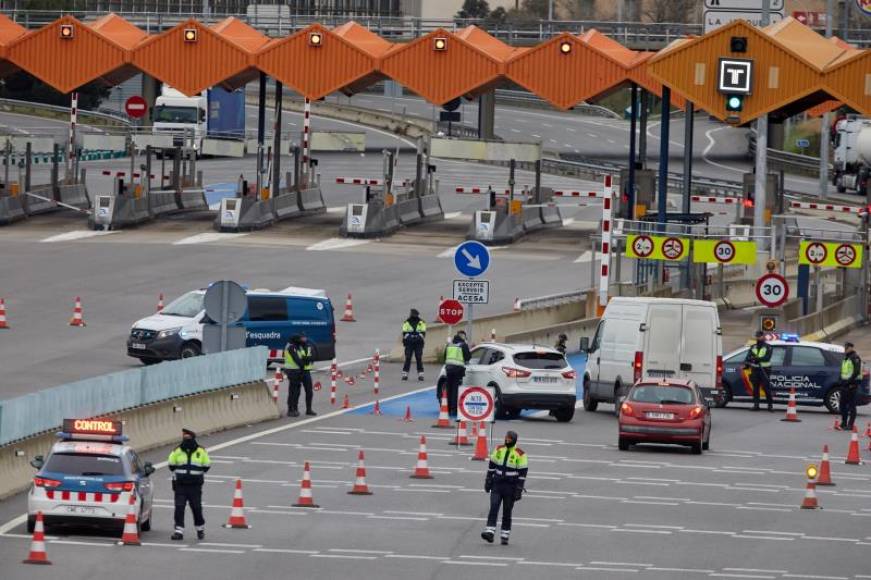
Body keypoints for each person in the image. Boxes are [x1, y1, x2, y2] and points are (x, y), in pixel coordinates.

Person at [482, 430, 528, 546]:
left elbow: (523, 473)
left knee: (507, 511)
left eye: (509, 439)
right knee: (494, 506)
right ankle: (490, 532)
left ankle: (505, 534)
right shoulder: (499, 449)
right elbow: (492, 465)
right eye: (506, 438)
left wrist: (519, 489)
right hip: (497, 484)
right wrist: (488, 480)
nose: (507, 440)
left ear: (514, 440)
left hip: (510, 486)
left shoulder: (520, 454)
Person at [168, 428, 211, 541]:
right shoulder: (177, 450)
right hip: (180, 485)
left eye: (188, 438)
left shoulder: (201, 451)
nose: (186, 440)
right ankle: (178, 531)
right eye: (184, 437)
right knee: (179, 507)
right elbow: (171, 464)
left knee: (196, 508)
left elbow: (206, 466)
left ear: (193, 438)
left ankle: (200, 529)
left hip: (195, 486)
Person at [284, 334, 317, 417]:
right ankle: (292, 409)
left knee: (308, 390)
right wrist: (304, 362)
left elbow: (310, 355)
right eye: (302, 338)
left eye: (304, 338)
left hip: (303, 370)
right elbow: (297, 359)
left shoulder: (302, 346)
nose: (304, 339)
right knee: (294, 391)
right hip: (293, 371)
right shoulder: (291, 347)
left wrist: (309, 358)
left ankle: (308, 409)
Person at [444, 330, 472, 416]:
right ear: (463, 337)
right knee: (455, 389)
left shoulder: (450, 344)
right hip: (458, 369)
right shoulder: (463, 345)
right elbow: (468, 357)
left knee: (449, 388)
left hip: (448, 369)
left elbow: (444, 356)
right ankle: (454, 409)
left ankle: (446, 408)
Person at [744, 331, 773, 412]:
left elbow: (767, 358)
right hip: (755, 370)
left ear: (763, 336)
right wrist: (752, 360)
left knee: (766, 388)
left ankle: (770, 406)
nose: (758, 338)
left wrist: (755, 359)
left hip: (765, 370)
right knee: (755, 389)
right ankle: (756, 405)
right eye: (757, 336)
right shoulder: (753, 347)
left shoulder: (768, 347)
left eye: (759, 336)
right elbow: (747, 358)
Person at [840, 342, 862, 430]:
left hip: (852, 384)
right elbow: (843, 370)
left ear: (851, 348)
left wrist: (849, 382)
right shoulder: (846, 358)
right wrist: (840, 380)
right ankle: (844, 422)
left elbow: (856, 372)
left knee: (851, 405)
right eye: (845, 347)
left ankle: (850, 424)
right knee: (842, 404)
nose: (845, 349)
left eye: (847, 348)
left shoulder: (855, 357)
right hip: (844, 384)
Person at [401, 308, 427, 381]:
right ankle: (405, 374)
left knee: (418, 357)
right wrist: (411, 337)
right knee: (408, 357)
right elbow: (404, 333)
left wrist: (416, 337)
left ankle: (420, 374)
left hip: (418, 343)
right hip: (409, 343)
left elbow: (423, 333)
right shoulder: (406, 322)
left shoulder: (422, 322)